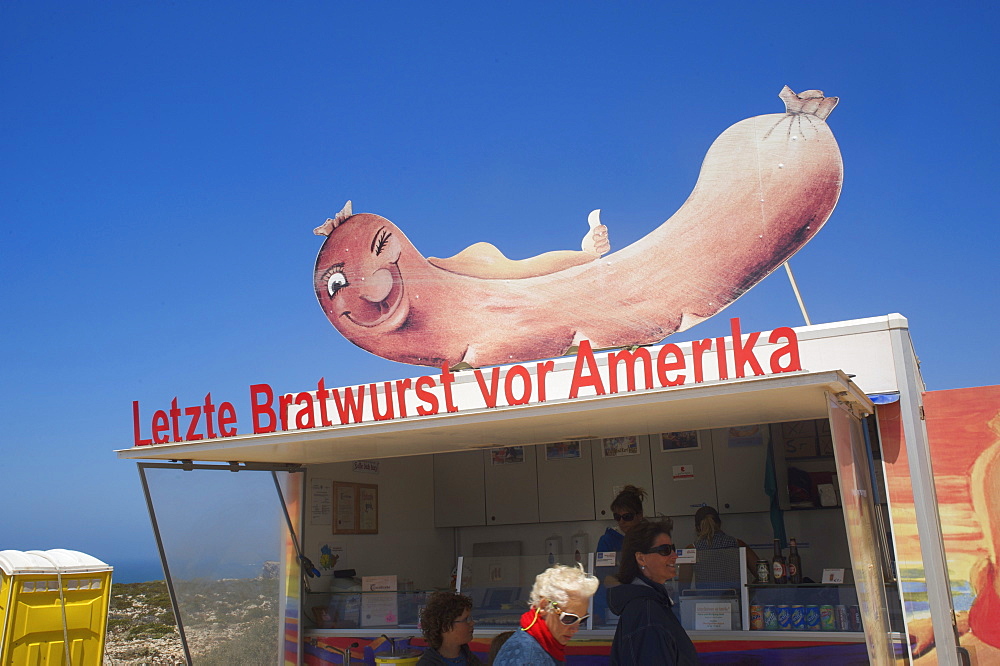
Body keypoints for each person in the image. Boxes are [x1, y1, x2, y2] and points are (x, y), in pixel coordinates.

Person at [608, 518, 699, 665]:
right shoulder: (646, 613)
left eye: (673, 548)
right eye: (665, 550)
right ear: (641, 558)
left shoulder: (652, 604)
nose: (674, 555)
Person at [492, 564, 599, 665]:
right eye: (569, 618)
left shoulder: (547, 645)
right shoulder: (526, 654)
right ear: (544, 606)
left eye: (582, 620)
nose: (575, 629)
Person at [594, 485, 647, 624]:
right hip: (610, 604)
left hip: (643, 601)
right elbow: (604, 577)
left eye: (627, 517)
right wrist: (632, 591)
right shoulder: (607, 540)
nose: (622, 522)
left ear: (639, 515)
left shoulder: (650, 537)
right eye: (617, 517)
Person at [688, 506, 759, 590]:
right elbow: (761, 573)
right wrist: (749, 590)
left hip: (703, 601)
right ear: (720, 524)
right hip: (736, 600)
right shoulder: (738, 544)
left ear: (697, 528)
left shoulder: (691, 550)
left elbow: (683, 587)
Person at [417, 591, 483, 666]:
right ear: (445, 626)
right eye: (466, 619)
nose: (472, 623)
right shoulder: (427, 664)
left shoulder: (470, 658)